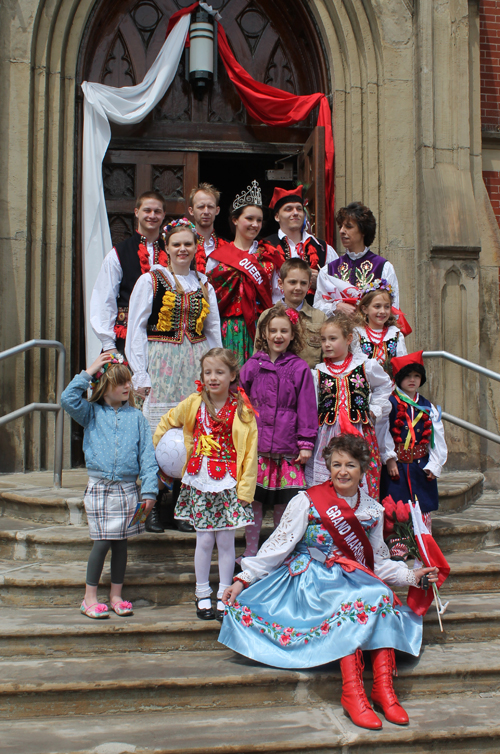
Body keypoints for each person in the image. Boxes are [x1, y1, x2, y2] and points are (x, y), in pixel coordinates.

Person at [220, 433, 439, 730]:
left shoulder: (372, 510)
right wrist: (243, 579)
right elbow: (276, 547)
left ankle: (384, 690)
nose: (342, 471)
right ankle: (352, 692)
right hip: (310, 577)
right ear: (329, 468)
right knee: (354, 600)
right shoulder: (307, 501)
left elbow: (378, 562)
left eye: (350, 465)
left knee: (381, 594)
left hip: (351, 576)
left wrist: (411, 575)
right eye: (336, 464)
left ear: (362, 470)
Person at [153, 348, 258, 622]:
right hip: (198, 482)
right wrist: (164, 456)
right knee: (203, 540)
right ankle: (201, 593)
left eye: (220, 372)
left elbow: (250, 454)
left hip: (227, 484)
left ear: (232, 375)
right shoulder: (192, 403)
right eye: (208, 372)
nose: (213, 378)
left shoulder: (243, 410)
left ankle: (225, 593)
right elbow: (166, 423)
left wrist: (245, 491)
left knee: (225, 542)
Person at [60, 353, 158, 619]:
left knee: (121, 545)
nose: (126, 387)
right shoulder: (91, 413)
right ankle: (89, 597)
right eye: (119, 383)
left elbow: (148, 456)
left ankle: (116, 594)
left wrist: (149, 490)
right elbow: (67, 399)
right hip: (100, 487)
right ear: (104, 387)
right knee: (102, 542)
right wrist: (90, 371)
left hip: (128, 490)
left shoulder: (136, 418)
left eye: (128, 382)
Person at [239, 303, 318, 559]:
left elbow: (307, 408)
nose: (278, 336)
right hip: (258, 448)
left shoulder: (299, 368)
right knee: (254, 504)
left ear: (293, 335)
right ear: (264, 333)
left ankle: (278, 555)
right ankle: (251, 553)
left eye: (284, 331)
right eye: (273, 330)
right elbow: (241, 403)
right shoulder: (252, 366)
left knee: (284, 507)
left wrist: (306, 443)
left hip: (287, 449)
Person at [305, 312, 393, 499]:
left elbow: (385, 385)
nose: (326, 344)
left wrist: (375, 408)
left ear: (348, 339)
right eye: (323, 339)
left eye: (332, 339)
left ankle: (360, 518)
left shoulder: (364, 366)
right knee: (331, 475)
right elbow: (311, 403)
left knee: (358, 474)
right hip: (328, 433)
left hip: (359, 430)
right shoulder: (318, 372)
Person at [206, 180, 282, 365]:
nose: (255, 224)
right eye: (249, 218)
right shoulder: (217, 257)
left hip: (261, 329)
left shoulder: (269, 256)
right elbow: (208, 299)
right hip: (227, 329)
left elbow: (277, 297)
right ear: (235, 219)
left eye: (259, 220)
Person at [380, 351, 447, 556]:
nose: (412, 380)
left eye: (416, 376)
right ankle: (399, 543)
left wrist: (435, 464)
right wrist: (389, 459)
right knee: (396, 502)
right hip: (398, 465)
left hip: (420, 463)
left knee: (422, 503)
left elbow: (438, 438)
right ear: (399, 379)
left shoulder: (428, 407)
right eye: (407, 376)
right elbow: (383, 434)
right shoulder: (390, 404)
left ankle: (423, 541)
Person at [90, 191, 167, 354]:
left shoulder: (172, 250)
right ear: (136, 212)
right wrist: (109, 344)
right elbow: (104, 298)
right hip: (127, 339)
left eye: (157, 211)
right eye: (147, 210)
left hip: (164, 340)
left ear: (163, 215)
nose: (152, 215)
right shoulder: (119, 252)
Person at [315, 202, 400, 317]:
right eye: (341, 227)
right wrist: (336, 307)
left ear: (363, 230)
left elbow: (393, 309)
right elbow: (317, 306)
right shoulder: (328, 270)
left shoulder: (383, 267)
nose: (341, 231)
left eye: (348, 226)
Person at [265, 185, 337, 304]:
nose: (295, 213)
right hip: (277, 317)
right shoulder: (265, 246)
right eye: (288, 209)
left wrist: (320, 281)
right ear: (277, 216)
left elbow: (338, 286)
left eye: (299, 209)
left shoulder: (323, 247)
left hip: (313, 317)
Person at [256, 259, 326, 369]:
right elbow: (258, 357)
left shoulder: (320, 318)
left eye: (303, 283)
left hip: (309, 381)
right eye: (292, 282)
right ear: (280, 283)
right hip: (274, 382)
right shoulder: (267, 316)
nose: (298, 287)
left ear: (309, 286)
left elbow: (326, 358)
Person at [354, 281, 407, 370]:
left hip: (391, 383)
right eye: (377, 306)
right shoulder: (358, 333)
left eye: (387, 307)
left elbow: (402, 362)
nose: (382, 311)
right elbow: (355, 363)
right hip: (365, 382)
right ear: (365, 309)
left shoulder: (395, 333)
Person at [186, 183, 226, 274]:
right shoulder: (183, 244)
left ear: (217, 210)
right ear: (191, 211)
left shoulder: (227, 246)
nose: (206, 211)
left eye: (210, 207)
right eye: (201, 207)